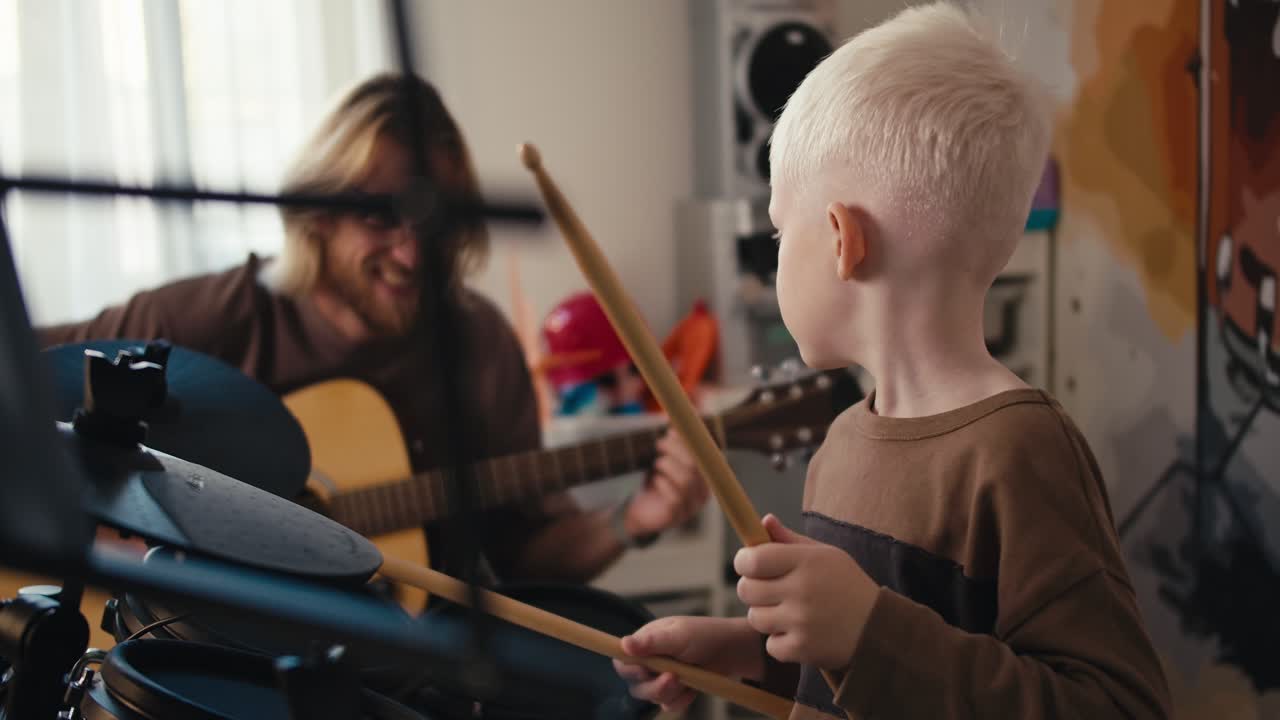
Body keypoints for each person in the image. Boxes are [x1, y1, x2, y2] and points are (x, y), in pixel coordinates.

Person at [614, 4, 1172, 718]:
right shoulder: (842, 443)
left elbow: (1121, 706)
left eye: (781, 230)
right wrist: (752, 649)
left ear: (844, 240)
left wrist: (867, 630)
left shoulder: (1019, 454)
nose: (777, 252)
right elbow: (870, 681)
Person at [38, 72, 709, 586]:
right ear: (317, 211)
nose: (413, 253)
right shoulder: (214, 318)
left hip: (394, 674)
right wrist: (102, 533)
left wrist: (631, 520)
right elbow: (30, 371)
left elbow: (526, 555)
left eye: (434, 218)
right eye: (381, 215)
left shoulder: (478, 346)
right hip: (205, 665)